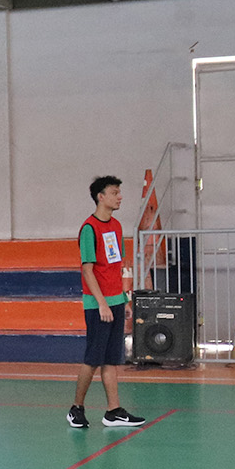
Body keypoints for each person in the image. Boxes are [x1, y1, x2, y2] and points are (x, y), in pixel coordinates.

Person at [68, 177, 146, 429]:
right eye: (114, 192)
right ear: (100, 197)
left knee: (111, 359)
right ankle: (76, 408)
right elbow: (88, 270)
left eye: (119, 192)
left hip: (115, 302)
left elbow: (116, 267)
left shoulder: (117, 226)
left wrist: (123, 299)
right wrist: (102, 303)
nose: (119, 197)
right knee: (93, 359)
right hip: (97, 305)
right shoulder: (89, 229)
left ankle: (113, 411)